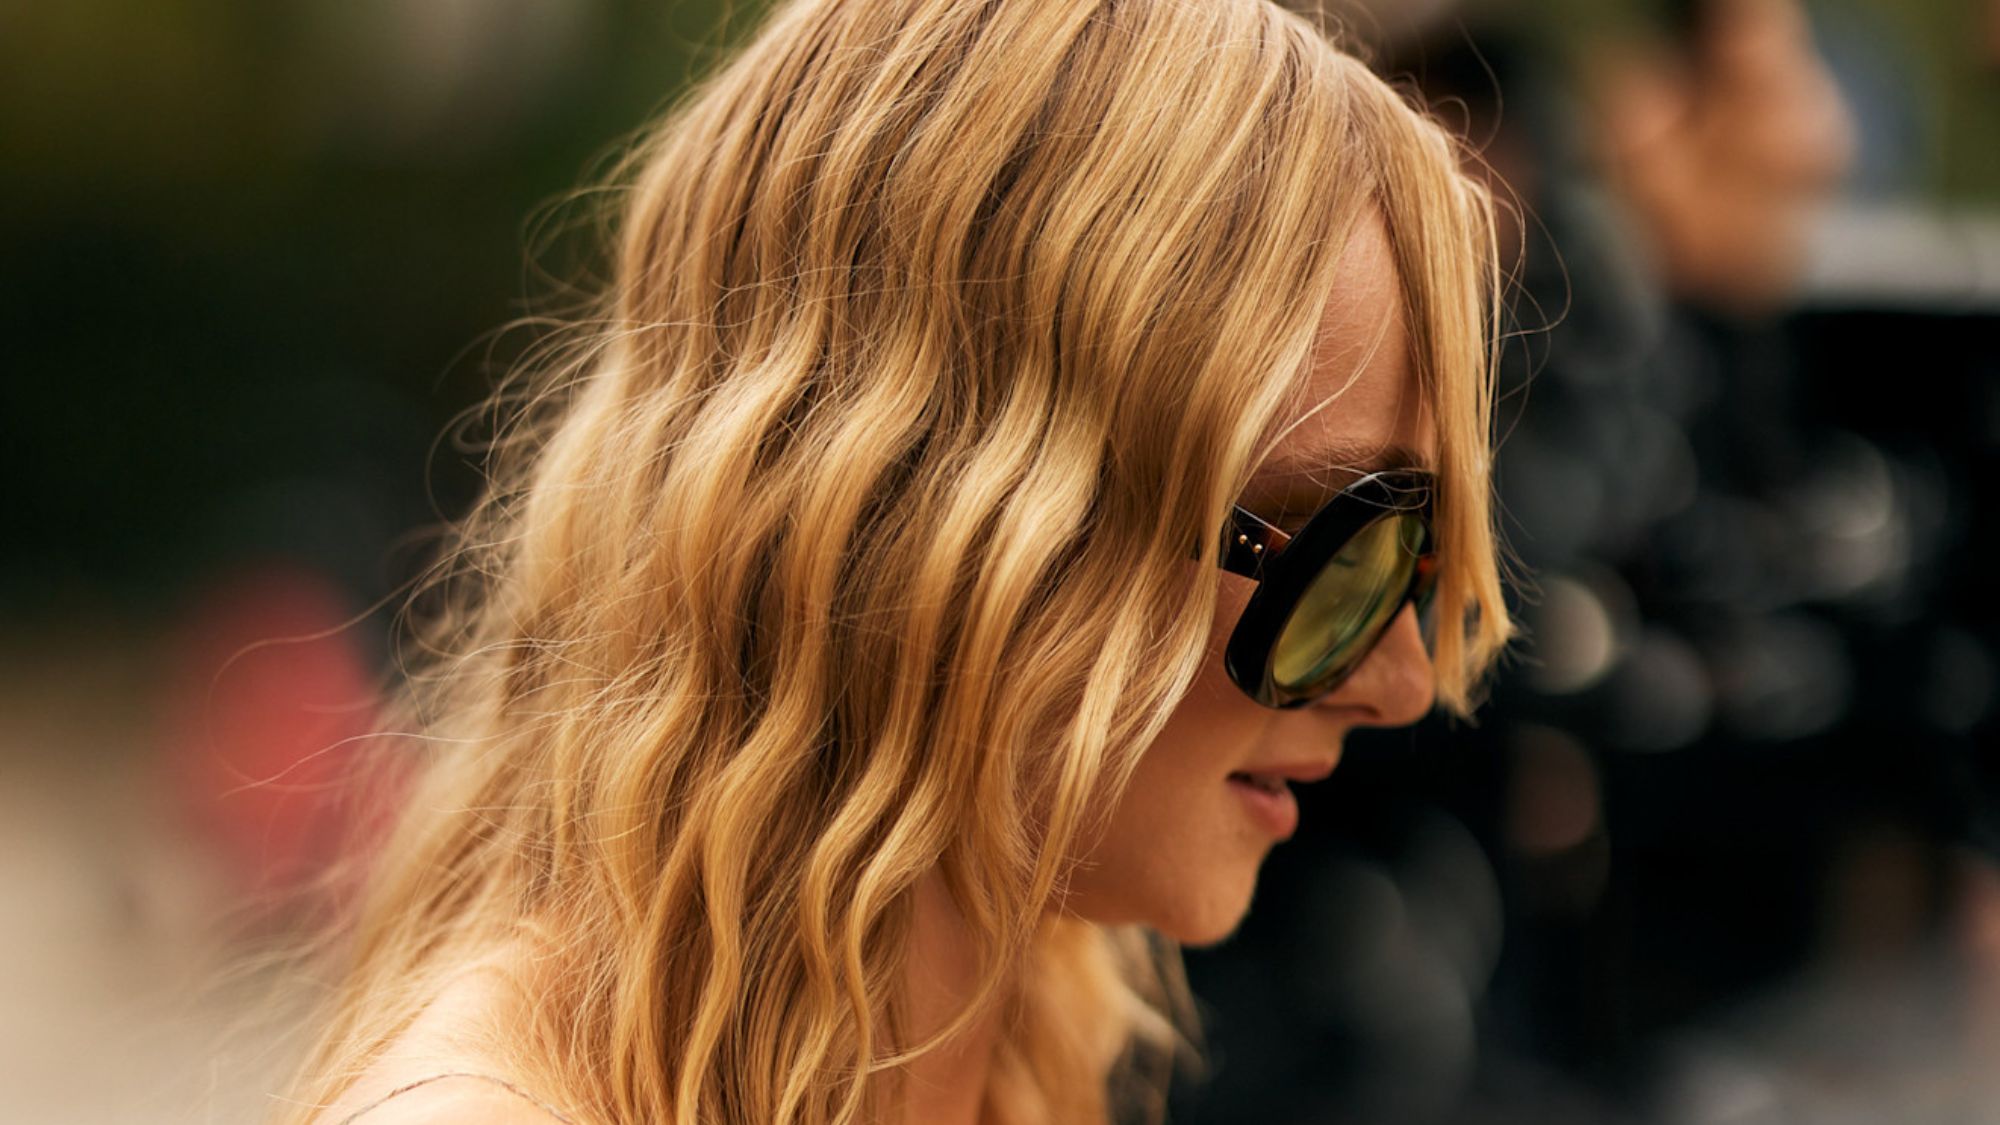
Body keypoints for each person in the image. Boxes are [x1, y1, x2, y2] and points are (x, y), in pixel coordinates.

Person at [274, 0, 1514, 1122]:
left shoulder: (992, 1049)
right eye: (1329, 540)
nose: (1399, 679)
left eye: (1416, 550)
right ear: (951, 516)